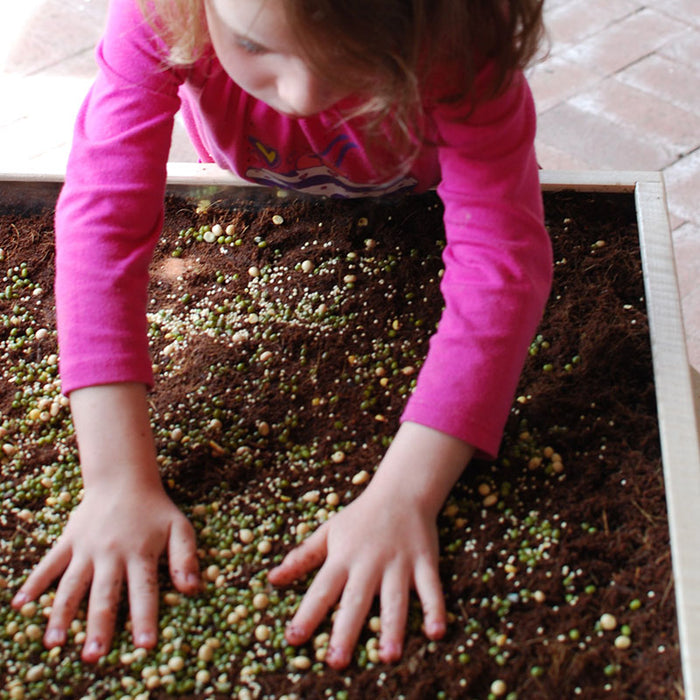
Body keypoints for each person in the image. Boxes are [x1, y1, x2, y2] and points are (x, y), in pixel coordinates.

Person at [12, 0, 552, 670]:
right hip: (264, 176)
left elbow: (499, 261)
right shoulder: (162, 9)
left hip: (417, 197)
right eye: (252, 45)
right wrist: (115, 477)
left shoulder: (459, 34)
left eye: (354, 63)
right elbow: (104, 214)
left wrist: (406, 494)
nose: (300, 96)